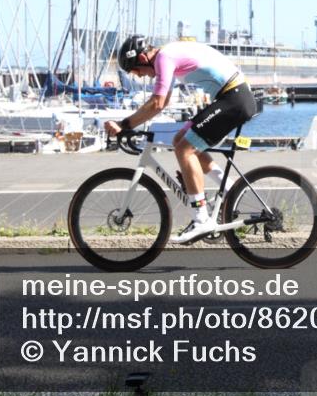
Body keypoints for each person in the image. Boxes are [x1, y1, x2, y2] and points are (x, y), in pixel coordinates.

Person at [105, 35, 257, 242]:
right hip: (231, 97)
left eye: (137, 70)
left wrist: (124, 125)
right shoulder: (167, 57)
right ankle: (231, 189)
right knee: (180, 140)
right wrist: (131, 124)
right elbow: (163, 101)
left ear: (142, 57)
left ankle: (201, 219)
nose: (140, 77)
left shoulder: (164, 57)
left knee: (185, 149)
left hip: (234, 98)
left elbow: (157, 103)